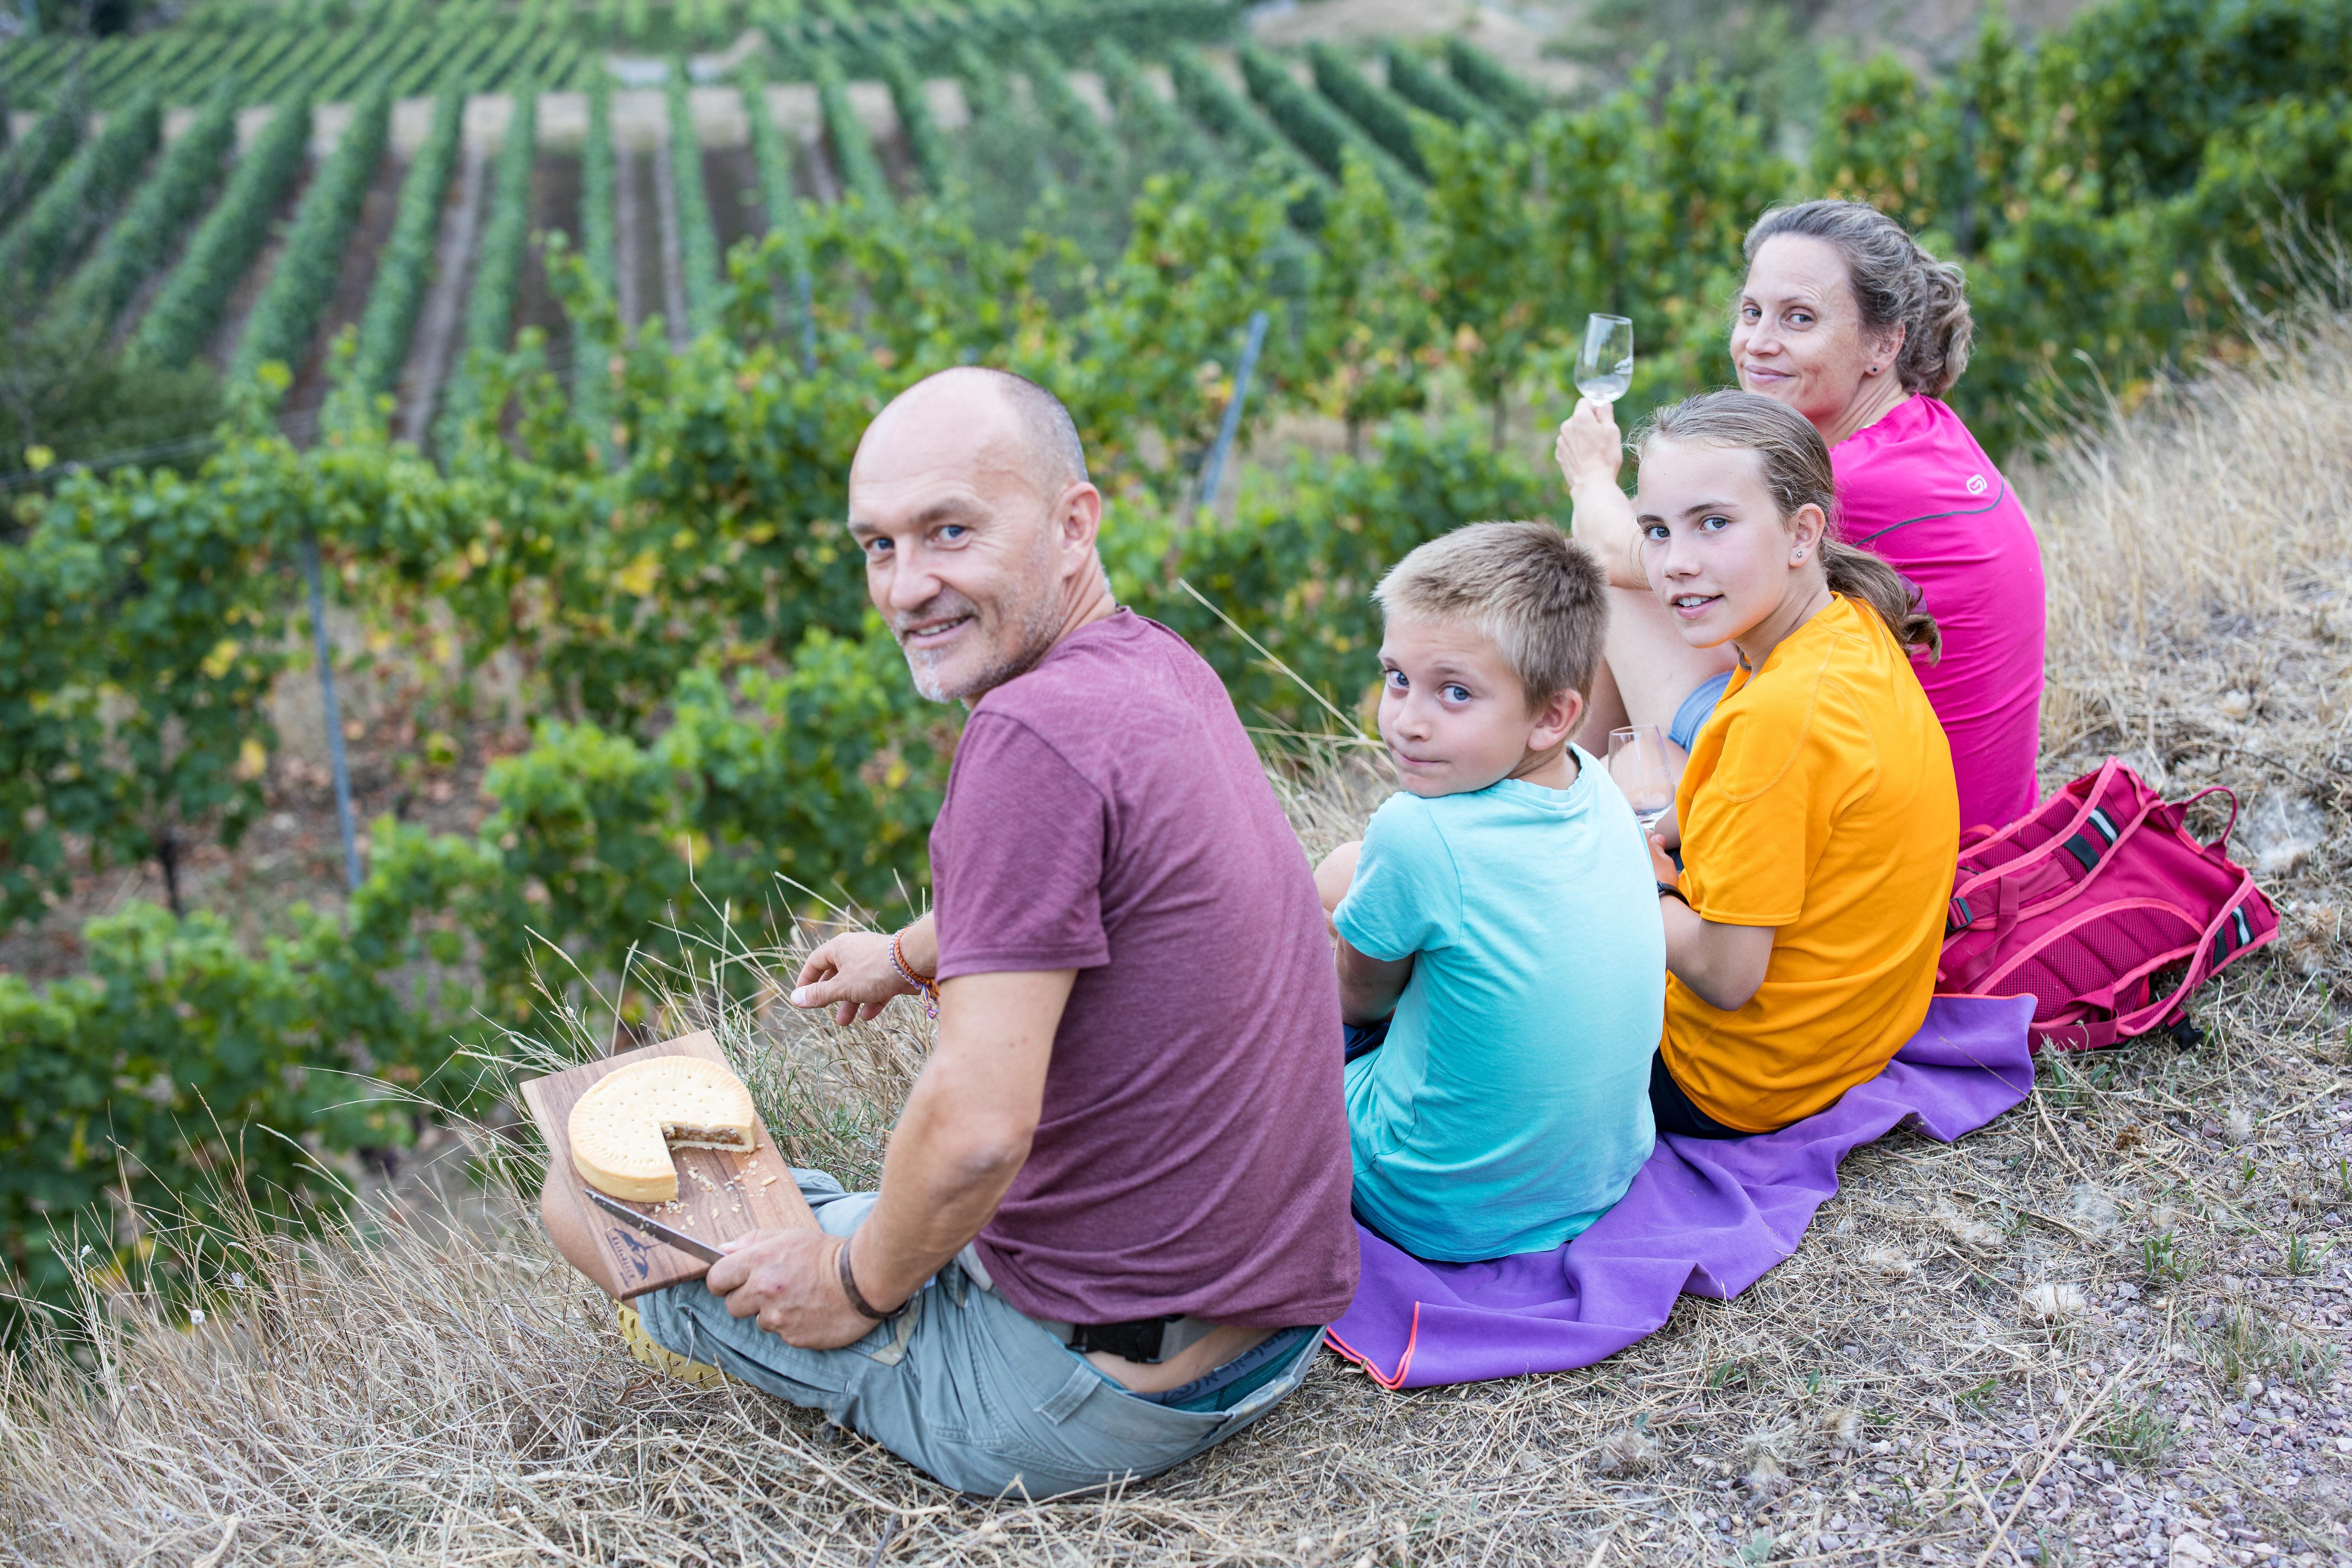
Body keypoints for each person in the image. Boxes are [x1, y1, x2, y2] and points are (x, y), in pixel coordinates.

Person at [538, 367, 1359, 1499]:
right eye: (877, 546)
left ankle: (770, 1346)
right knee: (764, 1185)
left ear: (1075, 524)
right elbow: (1120, 887)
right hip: (1262, 1337)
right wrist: (908, 952)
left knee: (591, 1186)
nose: (905, 586)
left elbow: (976, 1132)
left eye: (949, 532)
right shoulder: (1153, 665)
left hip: (1077, 1396)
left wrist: (855, 1285)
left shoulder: (1025, 738)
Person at [1558, 198, 2045, 834]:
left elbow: (1617, 551)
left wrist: (1592, 474)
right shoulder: (1923, 432)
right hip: (1951, 804)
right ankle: (1571, 807)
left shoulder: (1848, 483)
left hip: (1912, 840)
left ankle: (1553, 809)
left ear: (1884, 342)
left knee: (1620, 594)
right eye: (1752, 312)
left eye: (1800, 319)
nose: (1759, 345)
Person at [1309, 521, 1664, 1261]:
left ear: (1550, 716)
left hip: (1430, 1198)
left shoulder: (1418, 833)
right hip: (1601, 1174)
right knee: (1353, 869)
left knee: (1297, 943)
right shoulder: (1597, 784)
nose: (1407, 719)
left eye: (1456, 693)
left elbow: (1357, 1004)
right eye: (1397, 676)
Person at [1632, 390, 1958, 1139]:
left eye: (1714, 523)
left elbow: (1725, 975)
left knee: (1385, 898)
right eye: (1656, 529)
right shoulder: (1848, 624)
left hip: (1729, 1079)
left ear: (1801, 532)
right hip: (1845, 1043)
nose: (1676, 564)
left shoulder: (1782, 717)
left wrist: (1641, 880)